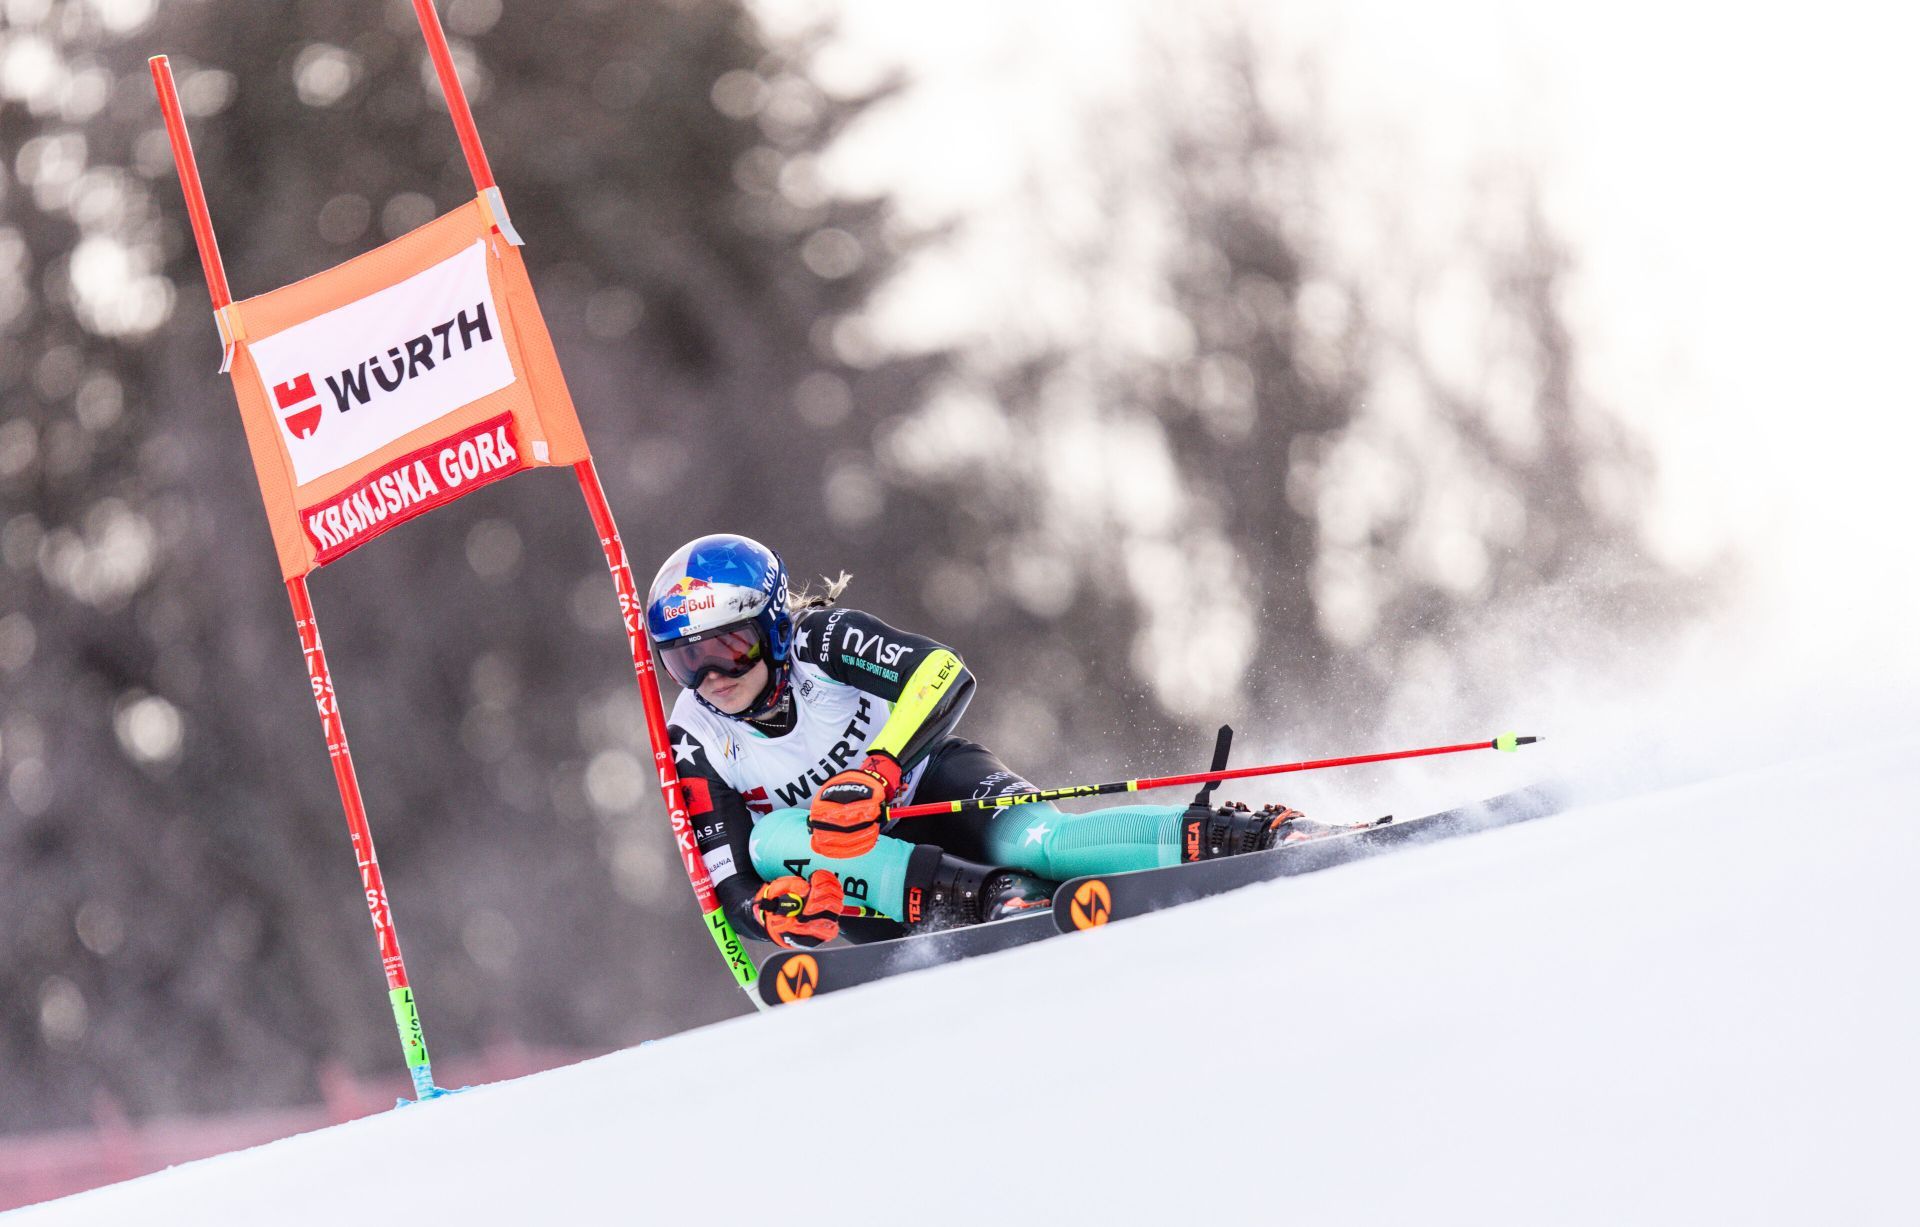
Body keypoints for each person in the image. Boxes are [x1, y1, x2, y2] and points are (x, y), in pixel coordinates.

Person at [647, 533, 1329, 950]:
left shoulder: (820, 642)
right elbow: (731, 885)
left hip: (937, 790)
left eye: (728, 649)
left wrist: (880, 771)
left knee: (1046, 845)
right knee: (772, 841)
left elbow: (942, 671)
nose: (711, 678)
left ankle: (1246, 834)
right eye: (685, 661)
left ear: (771, 628)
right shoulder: (693, 737)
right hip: (876, 886)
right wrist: (774, 916)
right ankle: (989, 897)